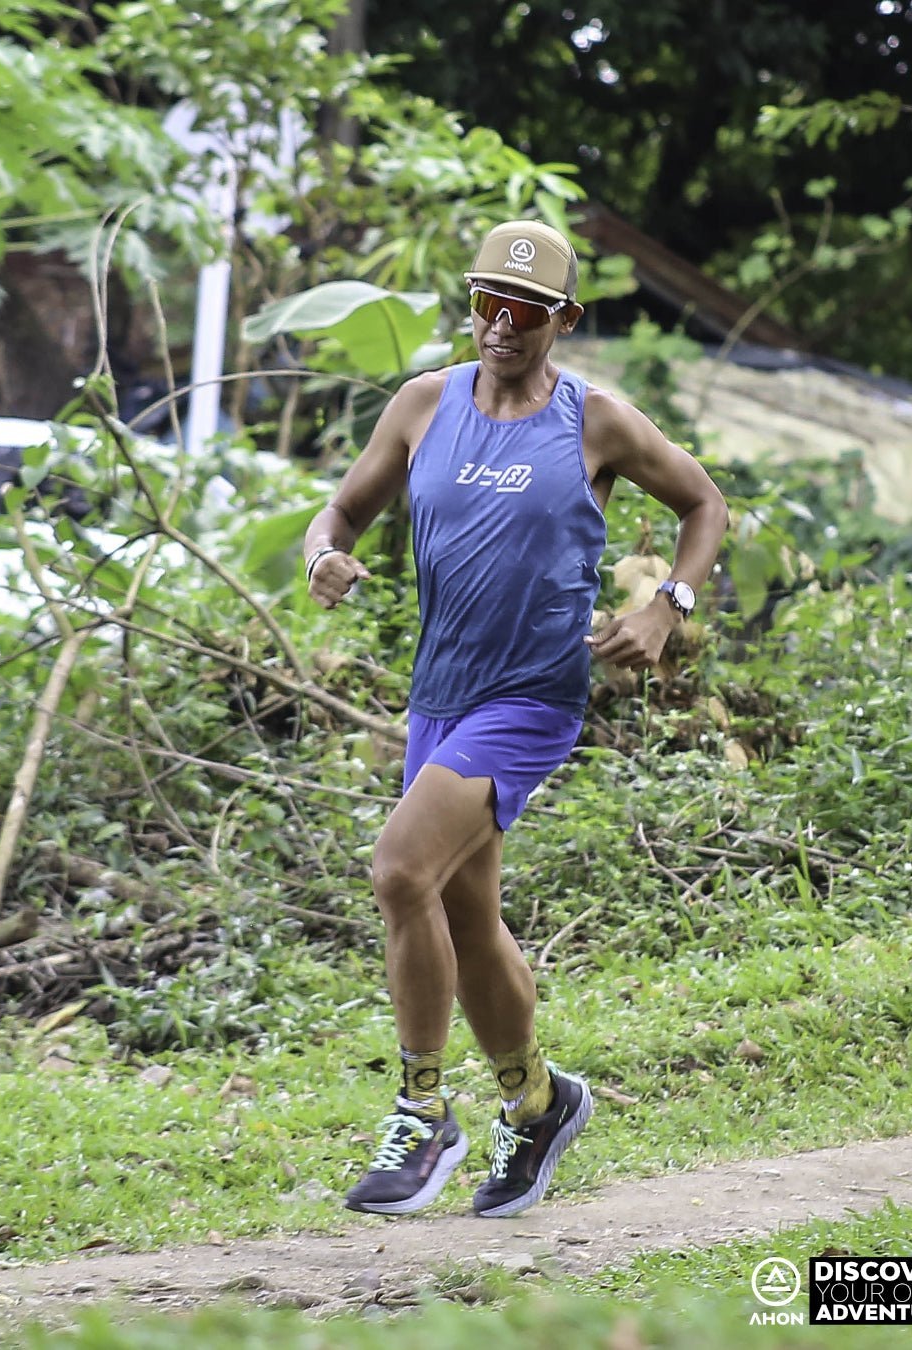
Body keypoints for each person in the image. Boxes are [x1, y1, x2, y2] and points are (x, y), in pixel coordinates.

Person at [302, 220, 728, 1218]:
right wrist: (325, 553)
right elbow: (343, 512)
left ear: (563, 321)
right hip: (439, 693)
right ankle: (536, 1101)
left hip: (532, 693)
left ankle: (423, 1110)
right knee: (466, 914)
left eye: (525, 311)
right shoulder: (423, 404)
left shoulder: (596, 421)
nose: (500, 324)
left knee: (400, 868)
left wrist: (668, 606)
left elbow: (703, 504)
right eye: (486, 301)